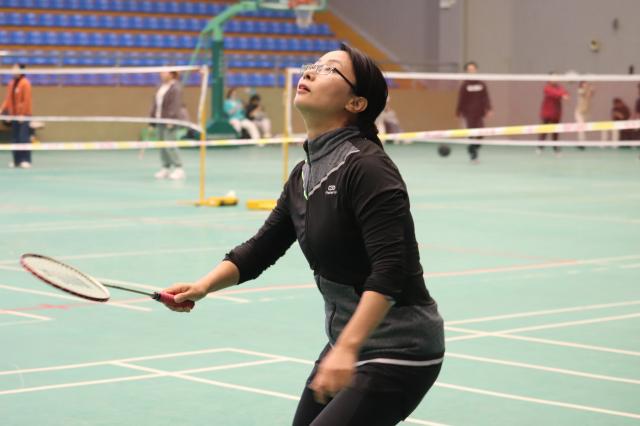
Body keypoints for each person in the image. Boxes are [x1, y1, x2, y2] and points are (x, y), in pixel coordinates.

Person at [162, 44, 445, 426]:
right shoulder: (304, 175)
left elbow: (391, 269)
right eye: (313, 65)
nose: (310, 72)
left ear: (356, 103)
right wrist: (202, 287)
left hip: (401, 349)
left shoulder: (368, 169)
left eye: (329, 70)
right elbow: (261, 249)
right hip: (349, 343)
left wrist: (347, 347)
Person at [150, 70, 186, 180]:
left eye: (164, 72)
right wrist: (152, 121)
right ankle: (165, 167)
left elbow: (175, 104)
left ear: (171, 74)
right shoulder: (160, 86)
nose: (161, 74)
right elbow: (156, 104)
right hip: (159, 119)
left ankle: (179, 168)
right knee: (161, 144)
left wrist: (171, 119)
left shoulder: (176, 87)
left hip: (170, 120)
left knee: (170, 144)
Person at [455, 61, 492, 163]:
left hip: (479, 113)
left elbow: (485, 97)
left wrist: (488, 108)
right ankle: (473, 155)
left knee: (481, 133)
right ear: (466, 71)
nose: (471, 71)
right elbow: (461, 99)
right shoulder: (465, 85)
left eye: (473, 69)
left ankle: (472, 148)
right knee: (471, 134)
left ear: (476, 70)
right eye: (469, 70)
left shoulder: (481, 84)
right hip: (468, 114)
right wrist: (458, 112)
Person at [1, 64, 33, 169]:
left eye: (15, 68)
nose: (13, 70)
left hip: (24, 116)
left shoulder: (25, 83)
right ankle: (16, 161)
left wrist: (22, 115)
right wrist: (2, 111)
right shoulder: (11, 83)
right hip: (14, 116)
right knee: (15, 139)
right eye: (13, 68)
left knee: (23, 138)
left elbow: (26, 100)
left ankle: (26, 160)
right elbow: (8, 99)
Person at [538, 76, 569, 155]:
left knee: (555, 132)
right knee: (544, 131)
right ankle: (540, 148)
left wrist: (564, 94)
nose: (555, 79)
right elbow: (554, 93)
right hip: (547, 113)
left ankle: (556, 149)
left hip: (556, 113)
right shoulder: (547, 88)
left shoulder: (559, 87)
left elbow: (566, 93)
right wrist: (562, 95)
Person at [574, 81, 594, 146]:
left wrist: (591, 88)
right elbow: (583, 94)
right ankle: (581, 143)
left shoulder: (588, 91)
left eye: (586, 83)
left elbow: (591, 93)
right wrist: (589, 88)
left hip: (586, 112)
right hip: (579, 112)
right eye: (584, 84)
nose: (585, 85)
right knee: (581, 127)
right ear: (581, 85)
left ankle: (582, 142)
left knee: (584, 128)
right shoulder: (580, 90)